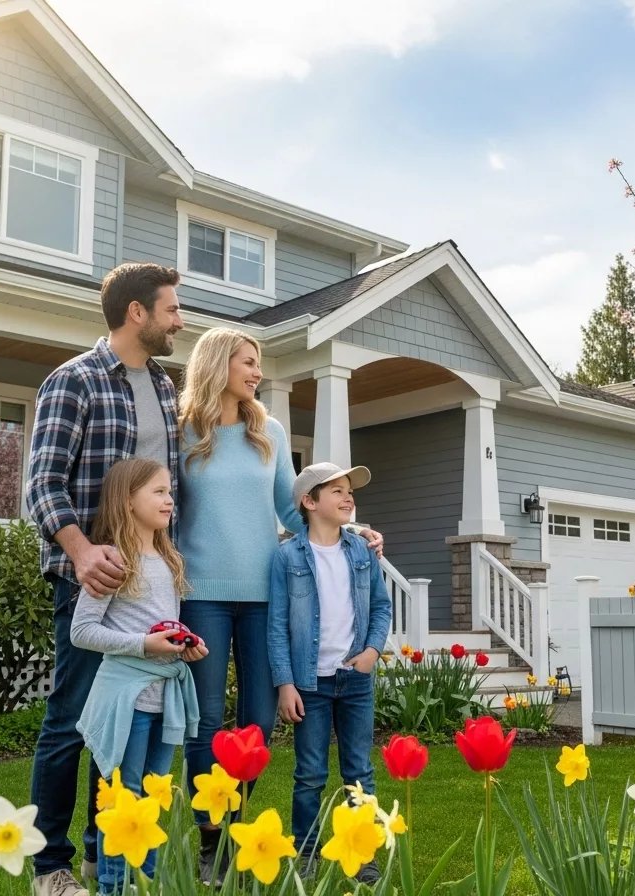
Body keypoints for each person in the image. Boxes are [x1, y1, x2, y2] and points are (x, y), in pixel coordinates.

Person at [174, 328, 383, 886]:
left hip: (266, 597)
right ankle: (212, 834)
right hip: (202, 597)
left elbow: (294, 514)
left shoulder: (268, 430)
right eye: (248, 362)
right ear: (219, 365)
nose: (257, 372)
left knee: (258, 725)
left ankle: (239, 823)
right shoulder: (182, 432)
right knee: (206, 722)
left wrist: (353, 528)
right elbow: (164, 511)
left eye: (258, 364)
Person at [26, 262, 184, 896]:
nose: (180, 321)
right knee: (71, 721)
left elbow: (175, 487)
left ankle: (104, 852)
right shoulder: (76, 380)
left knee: (126, 723)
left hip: (149, 582)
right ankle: (50, 868)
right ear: (137, 313)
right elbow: (42, 485)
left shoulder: (167, 389)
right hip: (90, 580)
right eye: (171, 309)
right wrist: (82, 551)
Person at [72, 458, 208, 895]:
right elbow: (82, 632)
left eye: (170, 491)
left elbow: (162, 626)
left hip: (164, 698)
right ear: (128, 500)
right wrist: (143, 645)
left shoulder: (169, 559)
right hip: (127, 701)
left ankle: (143, 886)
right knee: (125, 801)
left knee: (152, 800)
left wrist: (185, 647)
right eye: (158, 491)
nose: (170, 499)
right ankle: (113, 886)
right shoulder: (113, 560)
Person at [268, 462, 392, 883]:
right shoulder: (287, 557)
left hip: (356, 679)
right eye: (336, 490)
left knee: (360, 771)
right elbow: (277, 625)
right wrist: (285, 684)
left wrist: (373, 650)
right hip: (310, 683)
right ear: (309, 502)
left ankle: (364, 856)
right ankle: (306, 853)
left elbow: (381, 606)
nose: (347, 497)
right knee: (310, 774)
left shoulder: (362, 550)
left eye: (349, 490)